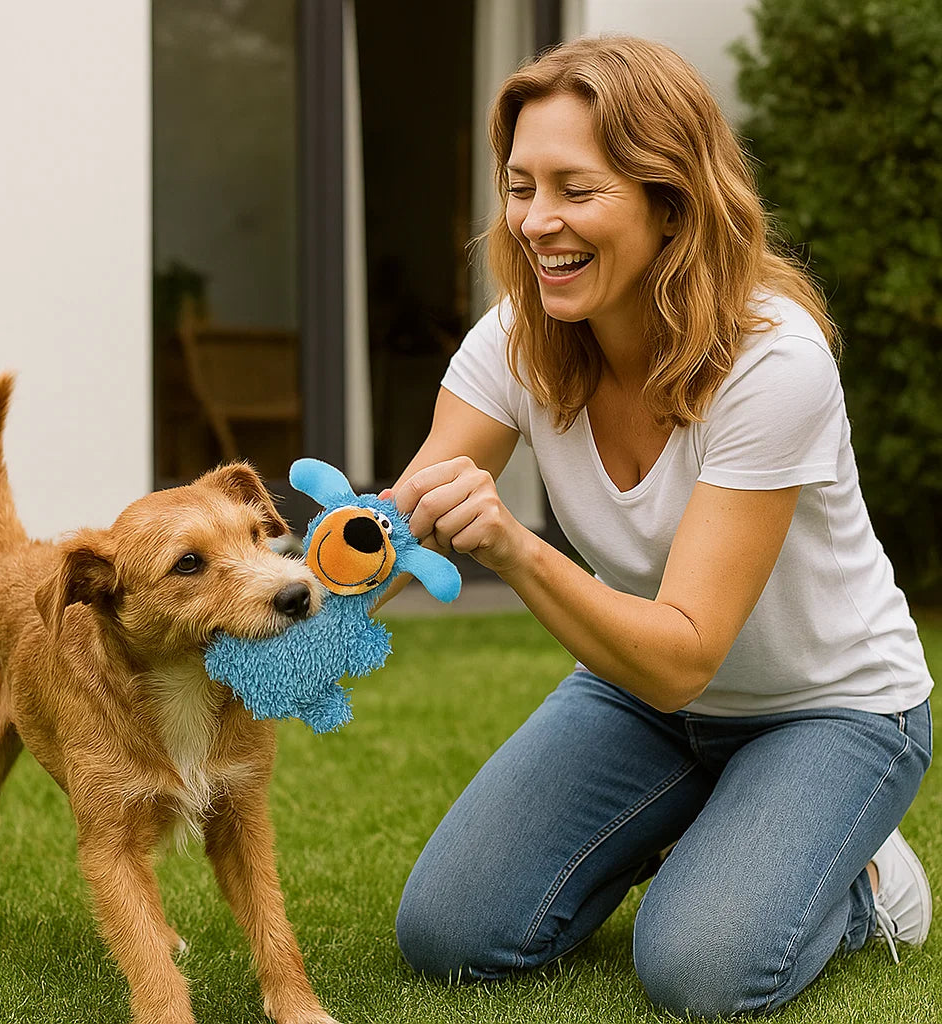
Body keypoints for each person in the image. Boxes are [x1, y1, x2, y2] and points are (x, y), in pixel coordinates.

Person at [385, 35, 934, 1018]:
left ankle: (863, 882)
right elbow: (401, 516)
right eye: (519, 187)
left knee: (697, 969)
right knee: (451, 933)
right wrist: (263, 597)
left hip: (828, 708)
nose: (535, 222)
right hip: (643, 694)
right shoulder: (518, 337)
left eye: (574, 189)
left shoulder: (772, 359)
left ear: (667, 199)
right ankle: (713, 829)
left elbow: (687, 651)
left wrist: (512, 545)